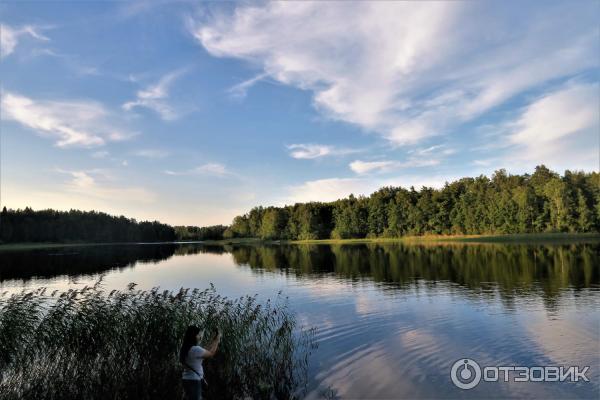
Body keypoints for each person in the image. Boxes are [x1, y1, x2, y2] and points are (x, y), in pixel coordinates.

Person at [180, 325, 221, 400]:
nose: (199, 336)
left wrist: (213, 340)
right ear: (193, 336)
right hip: (194, 381)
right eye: (198, 334)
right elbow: (211, 353)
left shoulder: (185, 348)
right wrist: (217, 340)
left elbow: (205, 351)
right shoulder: (195, 349)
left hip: (186, 379)